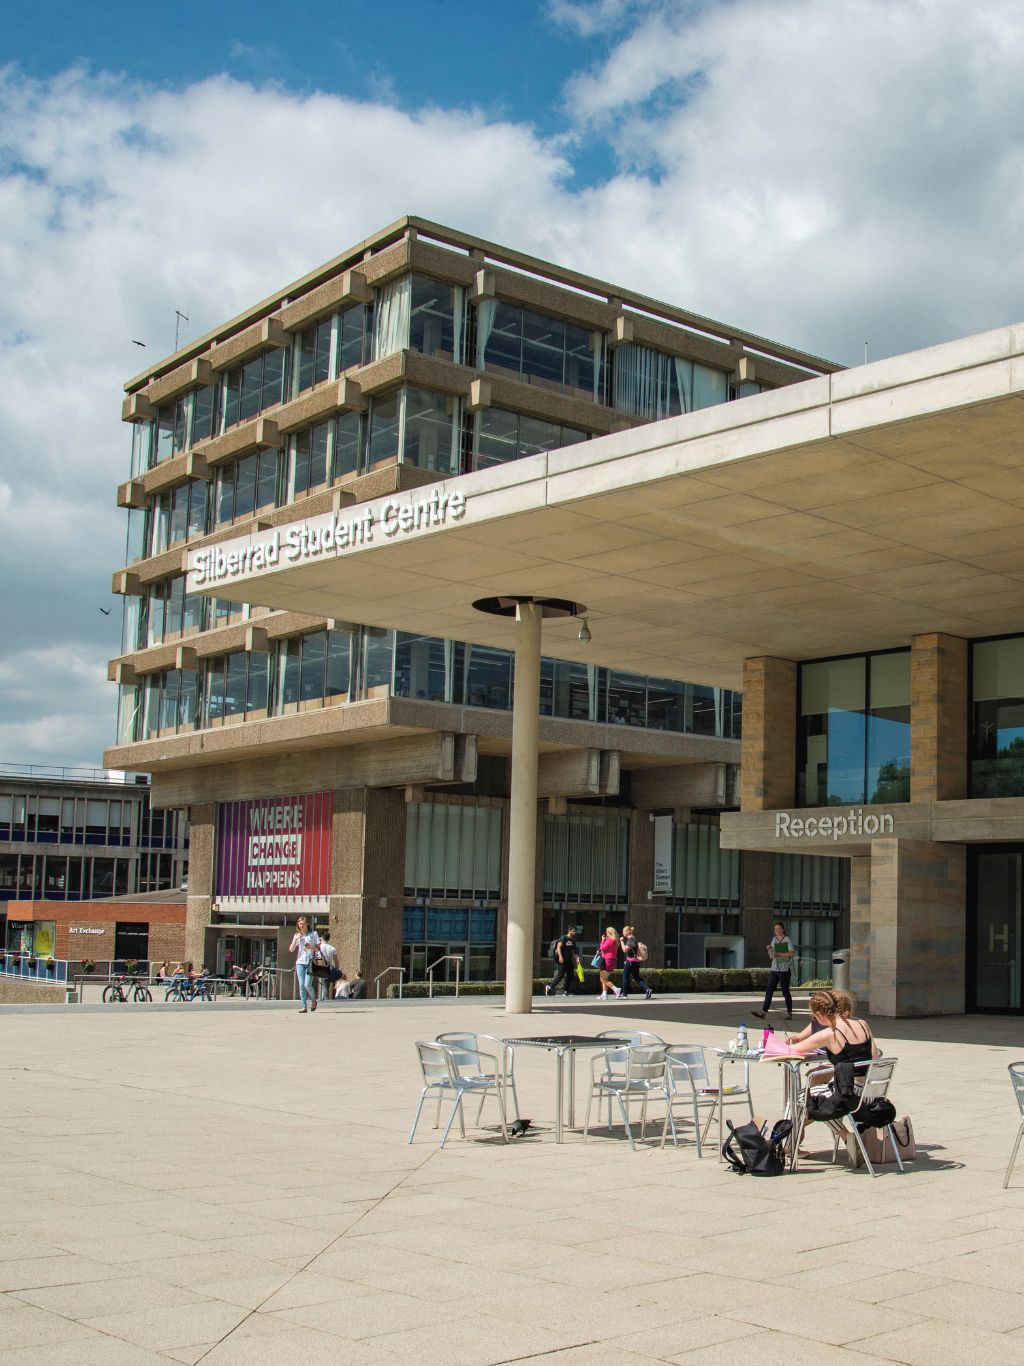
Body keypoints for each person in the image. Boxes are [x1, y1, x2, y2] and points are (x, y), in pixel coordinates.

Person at [752, 921, 795, 1020]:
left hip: (784, 969)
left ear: (783, 929)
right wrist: (769, 950)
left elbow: (791, 953)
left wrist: (779, 954)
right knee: (769, 990)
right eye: (776, 929)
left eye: (779, 929)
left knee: (785, 992)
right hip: (774, 969)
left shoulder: (787, 940)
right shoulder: (773, 939)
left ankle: (789, 1013)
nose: (777, 931)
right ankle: (763, 1012)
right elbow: (771, 957)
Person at [290, 916, 320, 1013]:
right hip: (300, 962)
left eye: (302, 924)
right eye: (299, 924)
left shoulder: (313, 934)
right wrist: (295, 940)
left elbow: (318, 949)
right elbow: (291, 949)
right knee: (302, 985)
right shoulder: (297, 935)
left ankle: (313, 1001)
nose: (301, 925)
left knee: (307, 985)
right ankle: (304, 1006)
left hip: (310, 962)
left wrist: (310, 947)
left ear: (307, 924)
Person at [545, 927, 580, 996]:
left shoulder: (573, 941)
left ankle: (565, 991)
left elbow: (573, 952)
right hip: (561, 960)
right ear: (569, 931)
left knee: (570, 975)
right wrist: (560, 957)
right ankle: (549, 987)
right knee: (561, 975)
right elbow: (558, 947)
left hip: (569, 960)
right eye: (573, 931)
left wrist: (576, 958)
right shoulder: (563, 938)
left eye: (575, 931)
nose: (575, 933)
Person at [620, 925, 652, 1000]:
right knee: (636, 977)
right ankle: (647, 989)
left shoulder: (631, 939)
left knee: (625, 976)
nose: (623, 933)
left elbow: (625, 950)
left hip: (631, 961)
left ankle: (624, 994)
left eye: (624, 931)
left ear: (627, 932)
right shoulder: (633, 939)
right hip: (636, 962)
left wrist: (621, 942)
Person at [596, 926, 622, 1000]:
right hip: (612, 960)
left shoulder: (610, 940)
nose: (606, 934)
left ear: (609, 933)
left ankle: (616, 989)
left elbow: (602, 948)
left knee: (602, 979)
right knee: (603, 978)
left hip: (607, 960)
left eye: (607, 933)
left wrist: (602, 941)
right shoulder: (615, 941)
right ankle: (604, 994)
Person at [317, 929, 341, 1000]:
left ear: (321, 938)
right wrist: (337, 969)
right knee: (325, 984)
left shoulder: (318, 947)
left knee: (322, 983)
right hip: (328, 967)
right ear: (329, 938)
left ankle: (324, 999)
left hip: (319, 966)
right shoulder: (332, 948)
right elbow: (336, 961)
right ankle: (325, 998)